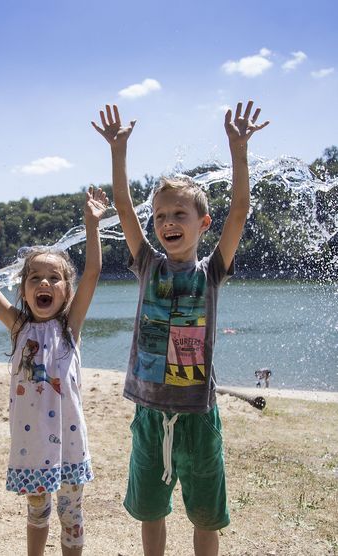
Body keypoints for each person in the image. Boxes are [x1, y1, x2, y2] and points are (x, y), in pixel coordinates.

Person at [92, 101, 269, 556]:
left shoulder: (210, 274)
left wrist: (238, 151)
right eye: (161, 217)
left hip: (198, 415)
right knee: (151, 511)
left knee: (205, 515)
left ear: (202, 224)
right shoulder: (147, 265)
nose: (167, 222)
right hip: (150, 413)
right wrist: (118, 151)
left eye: (179, 215)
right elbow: (124, 209)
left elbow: (240, 213)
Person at [0, 187, 109, 556]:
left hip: (69, 444)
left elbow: (94, 272)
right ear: (24, 289)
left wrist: (92, 224)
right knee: (37, 514)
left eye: (54, 278)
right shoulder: (18, 327)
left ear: (67, 291)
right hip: (32, 445)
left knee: (71, 515)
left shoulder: (70, 328)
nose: (44, 284)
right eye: (34, 278)